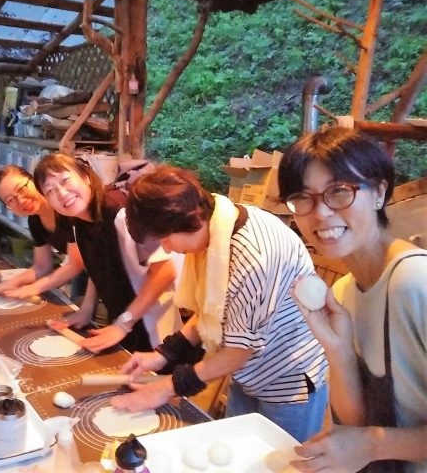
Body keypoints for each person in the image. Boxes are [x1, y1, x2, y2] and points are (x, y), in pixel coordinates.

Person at [111, 164, 328, 443]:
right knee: (237, 454)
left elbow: (238, 352)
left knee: (283, 462)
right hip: (247, 375)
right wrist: (163, 354)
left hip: (287, 382)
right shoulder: (218, 228)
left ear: (192, 217)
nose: (166, 248)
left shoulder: (253, 258)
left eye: (165, 239)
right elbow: (212, 310)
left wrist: (166, 387)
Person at [279, 126, 427, 472]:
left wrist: (374, 443)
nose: (320, 213)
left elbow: (367, 439)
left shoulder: (415, 282)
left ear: (378, 193)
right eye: (302, 197)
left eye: (339, 192)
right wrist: (337, 349)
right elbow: (357, 420)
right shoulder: (345, 291)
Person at [33, 154, 182, 354]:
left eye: (65, 180)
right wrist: (86, 310)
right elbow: (99, 267)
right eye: (50, 191)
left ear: (85, 176)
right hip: (126, 327)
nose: (61, 193)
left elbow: (165, 271)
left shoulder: (120, 212)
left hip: (160, 332)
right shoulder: (79, 223)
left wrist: (124, 323)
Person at [0, 165, 87, 301]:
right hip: (86, 272)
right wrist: (8, 284)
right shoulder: (35, 219)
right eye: (10, 200)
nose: (21, 200)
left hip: (107, 267)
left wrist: (32, 288)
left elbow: (75, 264)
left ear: (34, 181)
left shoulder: (65, 207)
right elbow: (42, 266)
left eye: (21, 189)